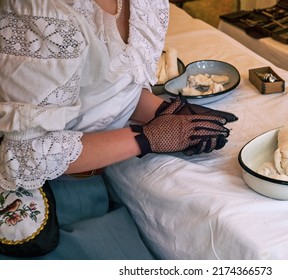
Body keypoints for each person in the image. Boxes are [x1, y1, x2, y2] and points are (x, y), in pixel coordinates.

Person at [0, 0, 237, 259]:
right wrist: (145, 139)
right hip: (49, 198)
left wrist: (167, 112)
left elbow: (109, 91)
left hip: (95, 181)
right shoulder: (43, 14)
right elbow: (25, 156)